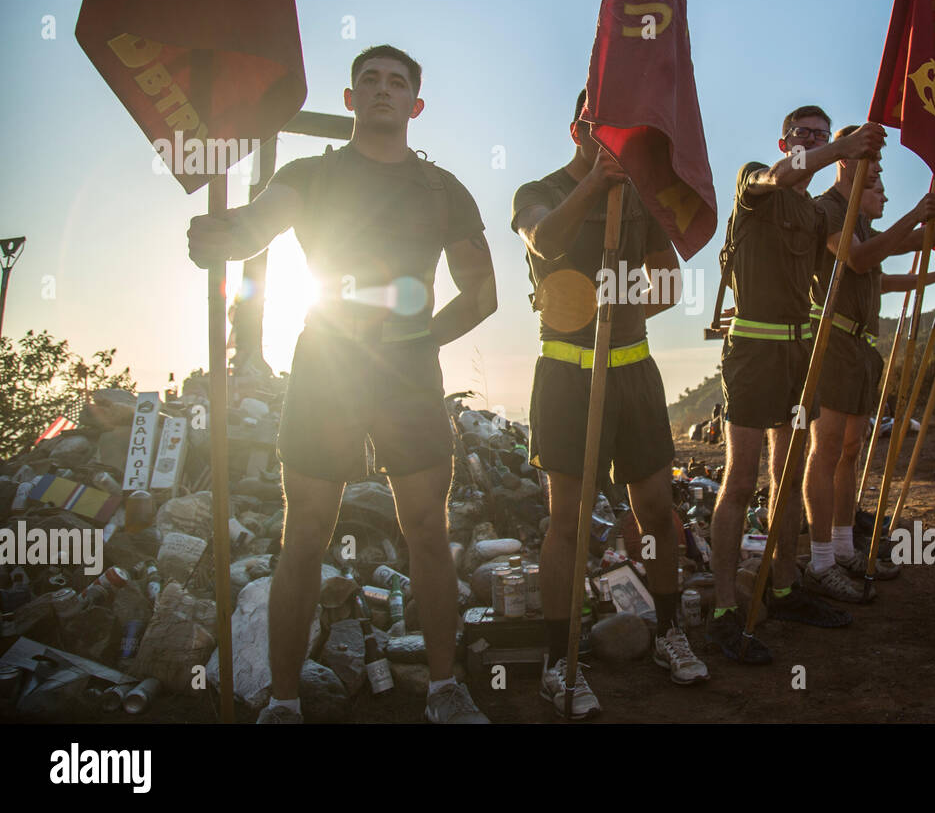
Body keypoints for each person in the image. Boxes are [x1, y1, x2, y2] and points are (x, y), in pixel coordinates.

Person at [188, 45, 498, 724]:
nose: (382, 90)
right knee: (305, 533)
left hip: (408, 375)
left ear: (415, 105)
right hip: (326, 363)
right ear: (351, 99)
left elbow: (482, 293)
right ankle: (284, 701)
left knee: (427, 529)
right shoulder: (309, 174)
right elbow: (251, 230)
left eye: (397, 83)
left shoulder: (443, 189)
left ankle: (445, 689)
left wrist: (422, 341)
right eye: (369, 81)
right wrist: (221, 235)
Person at [511, 90, 708, 720]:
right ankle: (559, 662)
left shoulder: (642, 198)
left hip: (634, 375)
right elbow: (542, 239)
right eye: (599, 121)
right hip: (567, 379)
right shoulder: (536, 190)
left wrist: (617, 313)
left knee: (656, 509)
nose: (612, 133)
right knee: (565, 521)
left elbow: (670, 285)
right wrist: (597, 181)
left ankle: (670, 630)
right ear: (576, 128)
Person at [706, 106, 885, 663]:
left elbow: (845, 267)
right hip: (753, 352)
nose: (812, 141)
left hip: (798, 354)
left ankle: (784, 588)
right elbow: (782, 175)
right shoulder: (756, 178)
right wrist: (842, 152)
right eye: (803, 136)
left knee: (785, 478)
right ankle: (721, 611)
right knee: (741, 479)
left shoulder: (812, 214)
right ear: (784, 142)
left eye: (821, 136)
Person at [803, 124, 935, 600]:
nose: (878, 171)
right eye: (872, 162)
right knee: (827, 448)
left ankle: (842, 545)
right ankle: (820, 562)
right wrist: (916, 214)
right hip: (831, 341)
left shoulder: (862, 219)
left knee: (851, 449)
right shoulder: (829, 210)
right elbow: (857, 260)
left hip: (859, 346)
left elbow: (906, 244)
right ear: (847, 160)